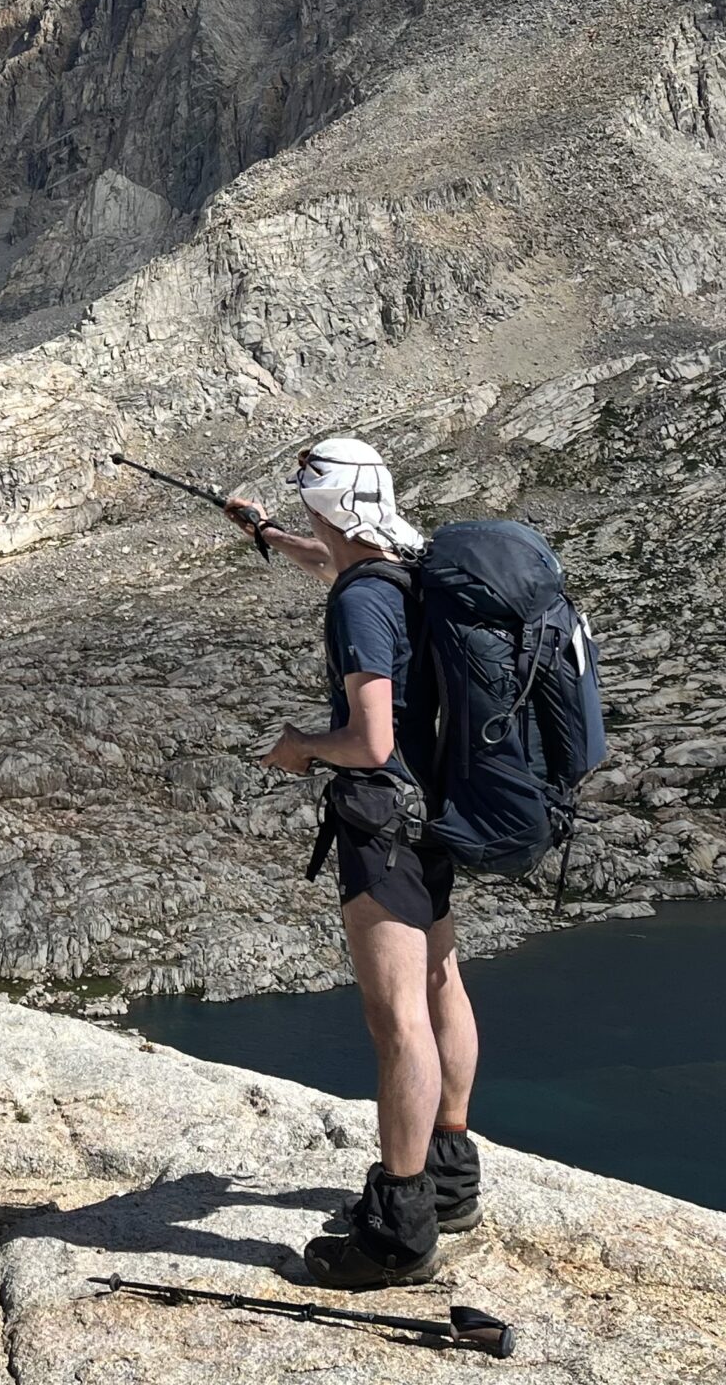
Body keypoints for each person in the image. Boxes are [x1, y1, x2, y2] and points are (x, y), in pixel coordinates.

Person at [227, 438, 482, 1288]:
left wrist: (301, 747)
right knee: (443, 982)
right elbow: (338, 564)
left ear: (327, 506)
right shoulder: (410, 570)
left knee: (396, 1017)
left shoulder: (358, 607)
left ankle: (398, 1230)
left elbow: (370, 741)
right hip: (439, 810)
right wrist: (263, 533)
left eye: (306, 505)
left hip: (385, 822)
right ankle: (450, 1178)